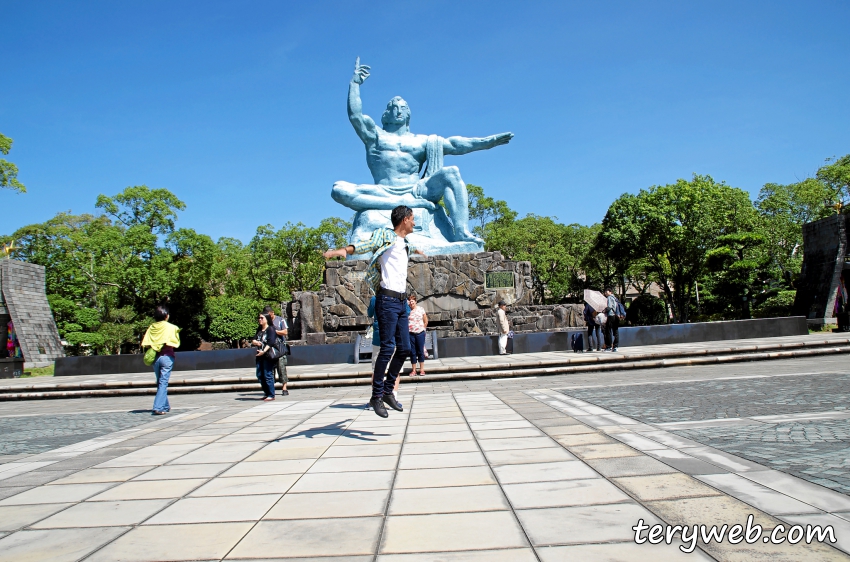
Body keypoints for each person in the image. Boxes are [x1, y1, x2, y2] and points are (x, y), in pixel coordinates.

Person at [324, 205, 425, 418]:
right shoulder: (385, 236)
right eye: (413, 219)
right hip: (386, 299)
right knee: (388, 348)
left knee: (405, 349)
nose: (415, 223)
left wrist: (418, 251)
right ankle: (376, 396)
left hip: (401, 302)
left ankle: (388, 391)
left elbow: (411, 246)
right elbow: (365, 244)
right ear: (405, 219)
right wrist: (344, 250)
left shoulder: (406, 242)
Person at [366, 295, 408, 409]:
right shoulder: (378, 298)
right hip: (387, 336)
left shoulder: (375, 299)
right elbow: (406, 312)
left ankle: (384, 395)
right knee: (387, 368)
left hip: (381, 337)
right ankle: (383, 396)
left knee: (379, 368)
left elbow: (369, 313)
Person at [141, 305, 181, 415]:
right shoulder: (171, 327)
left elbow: (146, 343)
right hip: (167, 357)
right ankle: (158, 407)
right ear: (166, 316)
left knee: (160, 382)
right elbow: (175, 343)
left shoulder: (151, 327)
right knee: (163, 383)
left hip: (155, 358)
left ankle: (165, 405)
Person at [251, 312, 278, 401]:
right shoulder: (259, 329)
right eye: (259, 318)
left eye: (262, 318)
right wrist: (255, 342)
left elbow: (271, 342)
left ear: (267, 319)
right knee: (259, 375)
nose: (260, 319)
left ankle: (271, 394)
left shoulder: (271, 329)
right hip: (259, 355)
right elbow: (254, 339)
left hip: (267, 355)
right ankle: (266, 392)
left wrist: (264, 351)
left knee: (267, 374)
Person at [263, 305, 289, 396]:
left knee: (281, 367)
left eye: (268, 315)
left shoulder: (280, 320)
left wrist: (274, 331)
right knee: (269, 370)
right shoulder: (264, 322)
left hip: (279, 348)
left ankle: (284, 388)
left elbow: (285, 332)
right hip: (269, 348)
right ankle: (271, 389)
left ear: (272, 313)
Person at [407, 294, 428, 376]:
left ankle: (422, 370)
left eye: (412, 301)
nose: (411, 303)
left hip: (420, 333)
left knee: (420, 351)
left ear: (415, 301)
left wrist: (423, 328)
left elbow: (425, 320)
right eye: (410, 301)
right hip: (410, 333)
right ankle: (414, 370)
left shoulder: (421, 309)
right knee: (412, 352)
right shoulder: (407, 311)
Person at [604, 287, 623, 352]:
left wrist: (604, 311)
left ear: (610, 292)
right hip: (616, 316)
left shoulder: (609, 298)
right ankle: (615, 347)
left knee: (608, 331)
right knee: (616, 331)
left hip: (611, 315)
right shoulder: (615, 298)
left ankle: (609, 346)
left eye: (606, 292)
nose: (605, 293)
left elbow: (609, 307)